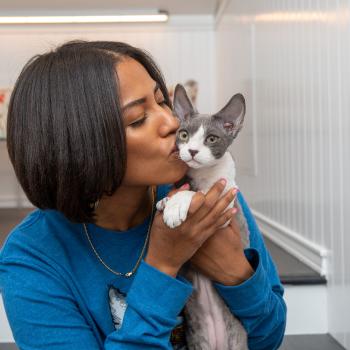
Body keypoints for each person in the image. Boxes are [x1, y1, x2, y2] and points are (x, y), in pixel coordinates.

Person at [0, 41, 286, 349]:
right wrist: (163, 264)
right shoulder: (31, 259)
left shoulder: (207, 195)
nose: (173, 124)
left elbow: (268, 336)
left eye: (162, 102)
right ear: (79, 146)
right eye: (138, 119)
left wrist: (236, 273)